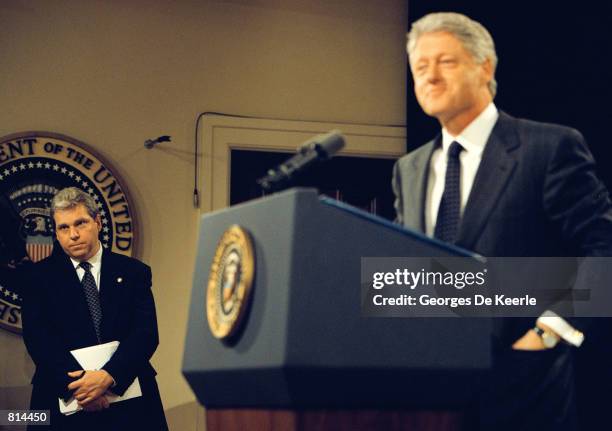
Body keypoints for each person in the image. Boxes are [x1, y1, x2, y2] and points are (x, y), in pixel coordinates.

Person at [393, 12, 612, 431]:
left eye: (446, 62)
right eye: (420, 67)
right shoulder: (410, 168)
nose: (430, 77)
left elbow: (604, 250)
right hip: (430, 394)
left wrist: (551, 331)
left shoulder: (549, 148)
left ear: (485, 67)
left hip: (526, 390)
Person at [21, 187, 168, 430]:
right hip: (65, 398)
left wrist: (109, 377)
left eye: (81, 223)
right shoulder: (37, 278)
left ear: (98, 222)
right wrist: (84, 389)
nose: (73, 234)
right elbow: (39, 340)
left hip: (128, 396)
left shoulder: (134, 272)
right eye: (64, 228)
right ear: (56, 233)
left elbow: (145, 334)